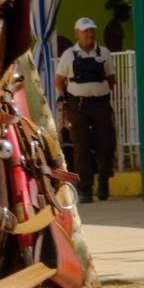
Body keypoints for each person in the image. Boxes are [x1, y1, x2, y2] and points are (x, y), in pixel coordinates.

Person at [54, 16, 118, 203]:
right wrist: (64, 99)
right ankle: (85, 188)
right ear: (77, 33)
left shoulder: (104, 52)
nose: (89, 34)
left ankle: (104, 181)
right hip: (78, 106)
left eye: (91, 30)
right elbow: (59, 81)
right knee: (80, 146)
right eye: (85, 31)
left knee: (105, 143)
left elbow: (111, 77)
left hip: (101, 104)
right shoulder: (68, 55)